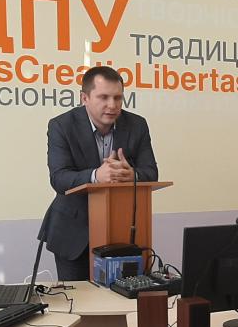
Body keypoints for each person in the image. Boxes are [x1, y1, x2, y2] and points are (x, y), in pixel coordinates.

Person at [39, 65, 158, 281]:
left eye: (118, 98)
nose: (112, 105)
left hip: (121, 232)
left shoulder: (137, 125)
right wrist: (96, 176)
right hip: (73, 232)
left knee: (124, 295)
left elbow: (151, 172)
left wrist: (132, 175)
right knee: (79, 298)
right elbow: (59, 178)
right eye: (103, 97)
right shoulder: (61, 125)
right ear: (84, 98)